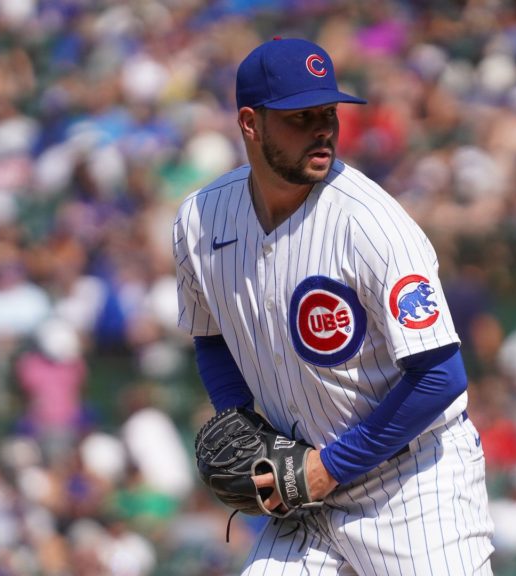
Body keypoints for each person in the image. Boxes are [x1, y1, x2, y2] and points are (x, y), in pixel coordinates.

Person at [172, 37, 495, 575]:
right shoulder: (199, 221)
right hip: (304, 490)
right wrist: (242, 421)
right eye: (300, 117)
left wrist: (331, 466)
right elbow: (211, 338)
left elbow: (441, 375)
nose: (322, 129)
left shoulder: (371, 223)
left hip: (411, 487)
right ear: (250, 124)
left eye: (328, 113)